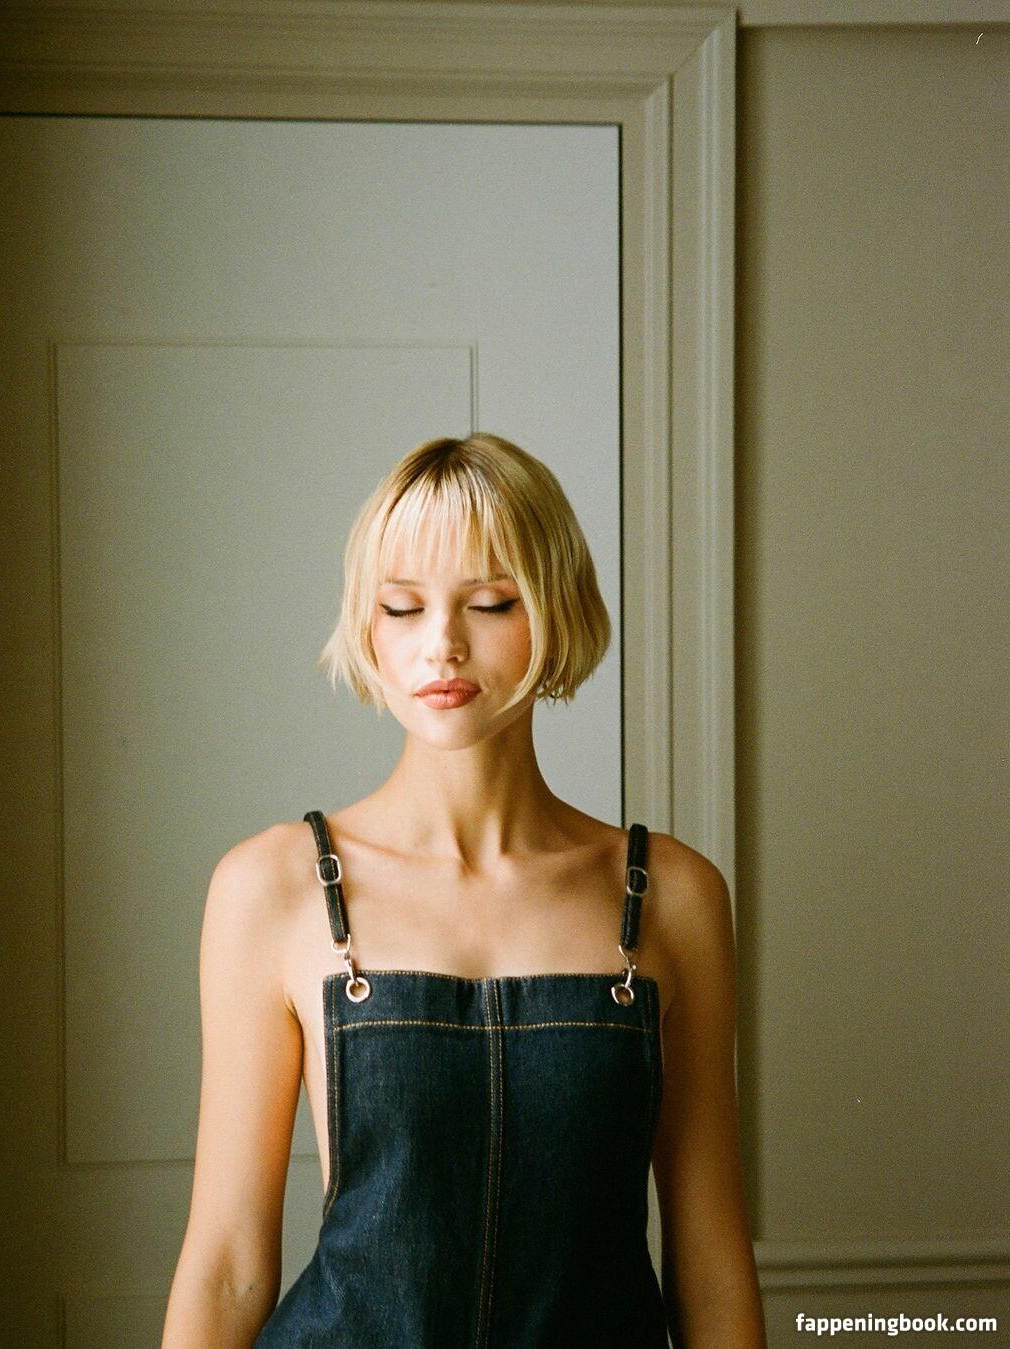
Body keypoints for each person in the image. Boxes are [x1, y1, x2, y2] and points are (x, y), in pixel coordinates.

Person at [161, 433, 767, 1348]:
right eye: (401, 607)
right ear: (367, 625)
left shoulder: (674, 896)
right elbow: (226, 1266)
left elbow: (712, 1270)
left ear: (555, 610)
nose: (441, 644)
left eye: (490, 603)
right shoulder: (271, 887)